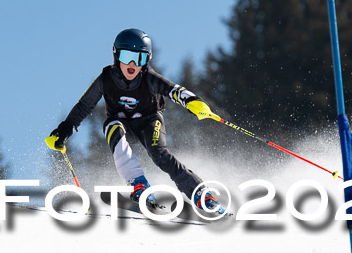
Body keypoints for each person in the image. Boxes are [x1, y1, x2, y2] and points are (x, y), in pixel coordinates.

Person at [46, 28, 224, 214]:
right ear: (116, 56)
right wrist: (64, 129)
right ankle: (139, 185)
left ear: (146, 61)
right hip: (122, 124)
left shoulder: (149, 78)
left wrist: (192, 102)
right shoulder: (106, 79)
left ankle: (201, 194)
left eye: (139, 58)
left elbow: (173, 90)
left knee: (159, 154)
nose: (132, 64)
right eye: (127, 56)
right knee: (112, 126)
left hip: (149, 121)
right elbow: (84, 105)